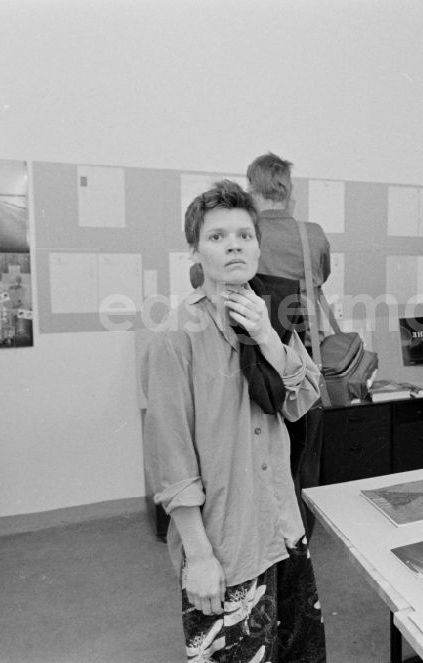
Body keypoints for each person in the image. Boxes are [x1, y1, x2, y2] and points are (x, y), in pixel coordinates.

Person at [142, 180, 326, 662]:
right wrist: (199, 557)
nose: (234, 246)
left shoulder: (272, 316)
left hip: (283, 528)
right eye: (218, 236)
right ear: (195, 252)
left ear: (259, 245)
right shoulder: (175, 338)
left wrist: (267, 337)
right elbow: (172, 459)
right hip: (226, 543)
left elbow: (302, 398)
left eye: (244, 235)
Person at [246, 152, 330, 543]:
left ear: (252, 187)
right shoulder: (311, 234)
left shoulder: (244, 232)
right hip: (304, 353)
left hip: (253, 358)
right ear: (287, 189)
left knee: (259, 451)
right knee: (304, 452)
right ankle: (302, 536)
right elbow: (321, 274)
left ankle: (269, 536)